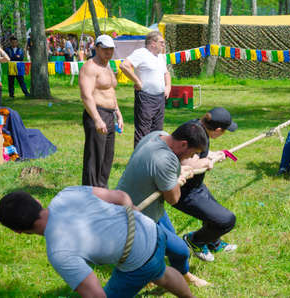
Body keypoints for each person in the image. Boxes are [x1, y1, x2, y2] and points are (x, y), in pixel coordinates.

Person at [0, 186, 195, 298]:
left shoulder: (58, 252)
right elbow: (121, 196)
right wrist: (135, 218)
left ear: (18, 231)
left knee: (149, 269)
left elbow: (96, 296)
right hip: (152, 229)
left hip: (140, 259)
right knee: (159, 271)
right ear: (37, 201)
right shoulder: (67, 194)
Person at [116, 121, 210, 287]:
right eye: (191, 154)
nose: (190, 158)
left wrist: (180, 171)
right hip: (137, 215)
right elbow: (173, 198)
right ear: (183, 144)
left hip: (133, 203)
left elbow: (167, 170)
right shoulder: (165, 160)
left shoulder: (157, 135)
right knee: (180, 250)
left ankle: (182, 273)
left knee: (171, 240)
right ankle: (152, 275)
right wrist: (176, 180)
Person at [178, 108, 238, 262]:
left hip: (196, 187)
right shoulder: (194, 133)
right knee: (226, 220)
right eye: (225, 131)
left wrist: (212, 154)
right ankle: (195, 240)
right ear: (218, 130)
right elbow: (185, 164)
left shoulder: (197, 125)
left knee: (215, 214)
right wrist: (205, 162)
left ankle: (213, 242)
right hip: (183, 191)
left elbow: (198, 152)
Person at [79, 35, 124, 188]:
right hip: (96, 113)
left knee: (107, 156)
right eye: (105, 49)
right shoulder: (90, 67)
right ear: (97, 48)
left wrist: (118, 113)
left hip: (110, 114)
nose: (108, 52)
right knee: (95, 156)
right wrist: (97, 119)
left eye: (111, 49)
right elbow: (86, 95)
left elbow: (111, 91)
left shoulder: (108, 66)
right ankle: (90, 191)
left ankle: (102, 188)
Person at [120, 31, 172, 148]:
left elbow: (166, 73)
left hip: (160, 98)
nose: (164, 45)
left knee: (157, 132)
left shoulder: (160, 57)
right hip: (146, 98)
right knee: (143, 132)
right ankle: (139, 161)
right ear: (153, 43)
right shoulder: (141, 53)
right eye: (161, 42)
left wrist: (168, 86)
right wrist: (137, 81)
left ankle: (153, 159)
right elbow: (124, 65)